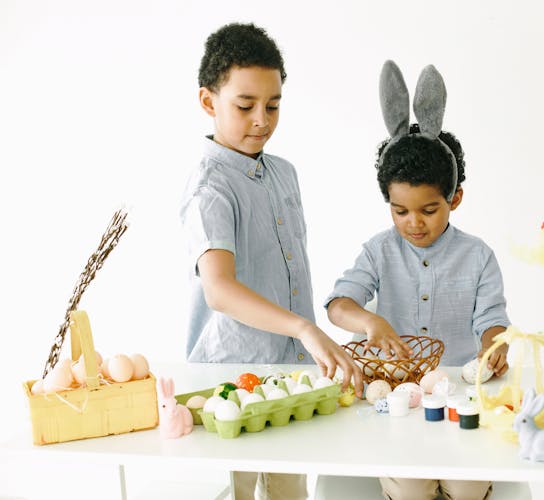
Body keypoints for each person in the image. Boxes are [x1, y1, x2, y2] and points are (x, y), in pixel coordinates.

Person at [179, 22, 363, 500]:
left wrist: (305, 340)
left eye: (274, 104)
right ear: (208, 102)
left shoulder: (284, 174)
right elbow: (218, 289)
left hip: (293, 375)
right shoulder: (210, 189)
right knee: (236, 490)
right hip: (231, 380)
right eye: (245, 106)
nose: (262, 119)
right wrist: (304, 327)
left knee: (290, 490)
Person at [325, 61, 510, 500]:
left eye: (429, 210)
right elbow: (338, 304)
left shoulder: (478, 256)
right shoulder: (377, 250)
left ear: (455, 199)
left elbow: (492, 320)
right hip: (396, 403)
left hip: (460, 397)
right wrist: (370, 323)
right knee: (410, 487)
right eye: (399, 210)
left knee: (465, 488)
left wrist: (493, 348)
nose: (413, 223)